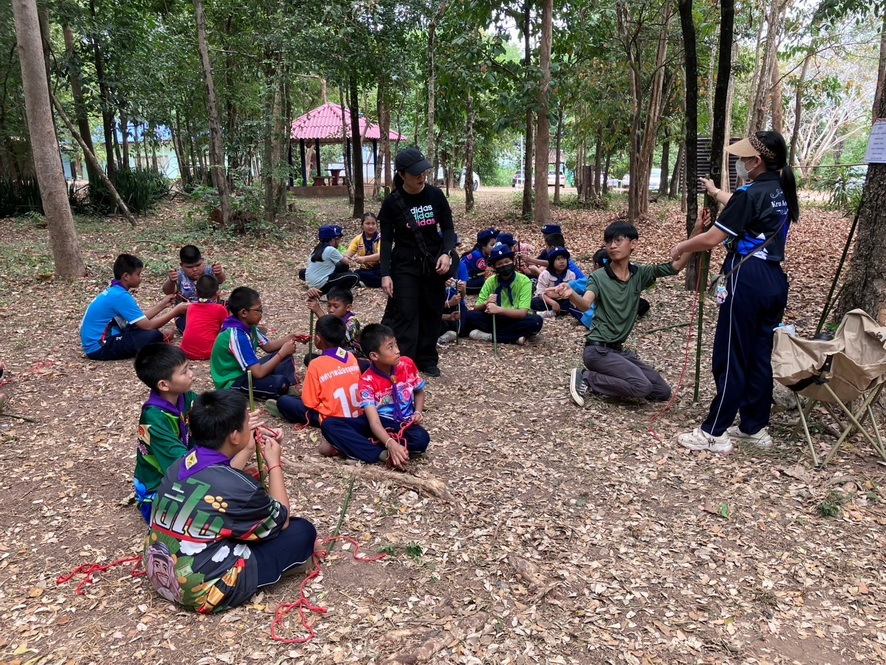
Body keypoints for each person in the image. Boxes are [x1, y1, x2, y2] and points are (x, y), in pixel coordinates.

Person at [671, 131, 798, 453]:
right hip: (773, 280)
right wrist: (715, 192)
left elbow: (712, 239)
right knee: (758, 356)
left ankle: (715, 432)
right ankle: (754, 427)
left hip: (746, 278)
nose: (740, 162)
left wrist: (682, 246)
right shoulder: (780, 188)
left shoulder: (750, 193)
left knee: (731, 355)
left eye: (744, 158)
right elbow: (744, 207)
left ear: (756, 161)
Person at [144, 390, 317, 613]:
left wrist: (247, 448)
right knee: (302, 531)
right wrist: (274, 464)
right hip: (203, 590)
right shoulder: (240, 488)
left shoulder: (181, 463)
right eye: (246, 422)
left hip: (159, 572)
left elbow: (219, 477)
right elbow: (281, 519)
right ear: (234, 436)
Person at [555, 217, 704, 405]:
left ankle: (612, 376)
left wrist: (697, 230)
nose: (612, 246)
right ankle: (586, 377)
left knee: (662, 391)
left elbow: (676, 266)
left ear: (633, 244)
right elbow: (585, 304)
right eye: (609, 242)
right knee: (642, 387)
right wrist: (571, 294)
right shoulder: (598, 277)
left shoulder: (639, 273)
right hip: (597, 351)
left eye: (618, 240)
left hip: (618, 352)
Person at [378, 147, 457, 378]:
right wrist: (385, 273)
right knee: (406, 312)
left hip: (433, 262)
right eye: (416, 174)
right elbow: (387, 241)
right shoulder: (392, 202)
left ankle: (427, 359)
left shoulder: (435, 195)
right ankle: (406, 362)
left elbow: (448, 229)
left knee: (432, 310)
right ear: (402, 175)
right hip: (404, 264)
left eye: (423, 172)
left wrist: (446, 253)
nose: (421, 177)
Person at [319, 324, 430, 468]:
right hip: (377, 422)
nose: (397, 350)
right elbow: (374, 422)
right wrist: (391, 444)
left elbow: (418, 391)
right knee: (329, 424)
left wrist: (417, 412)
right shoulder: (366, 381)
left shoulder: (406, 364)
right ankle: (382, 454)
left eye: (396, 344)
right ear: (374, 356)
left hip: (402, 425)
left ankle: (357, 446)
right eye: (390, 347)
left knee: (421, 439)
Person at [81, 254, 189, 361]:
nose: (140, 278)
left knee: (147, 331)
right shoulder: (120, 296)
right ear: (126, 276)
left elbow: (139, 319)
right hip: (99, 347)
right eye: (138, 274)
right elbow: (147, 326)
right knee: (153, 335)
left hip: (99, 342)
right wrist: (175, 312)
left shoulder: (115, 291)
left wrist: (163, 305)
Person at [133, 344, 196, 523]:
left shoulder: (186, 397)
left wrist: (240, 423)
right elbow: (184, 465)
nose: (191, 374)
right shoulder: (153, 419)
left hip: (185, 472)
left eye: (189, 368)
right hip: (158, 493)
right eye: (184, 372)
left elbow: (211, 417)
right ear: (163, 385)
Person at [267, 315, 363, 428]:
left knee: (284, 401)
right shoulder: (351, 357)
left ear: (317, 339)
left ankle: (286, 411)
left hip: (333, 419)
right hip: (357, 414)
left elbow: (310, 403)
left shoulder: (316, 364)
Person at [210, 286, 298, 400]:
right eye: (258, 310)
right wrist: (282, 353)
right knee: (279, 382)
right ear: (244, 313)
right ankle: (284, 391)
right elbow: (258, 373)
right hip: (232, 382)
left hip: (247, 371)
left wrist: (292, 337)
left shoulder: (248, 326)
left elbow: (268, 346)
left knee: (285, 357)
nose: (261, 314)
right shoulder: (237, 335)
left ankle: (288, 389)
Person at [462, 244, 544, 345]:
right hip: (495, 319)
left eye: (507, 262)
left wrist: (499, 309)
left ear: (513, 261)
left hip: (516, 319)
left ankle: (490, 336)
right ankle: (514, 337)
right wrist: (486, 303)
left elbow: (522, 313)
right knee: (470, 315)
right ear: (494, 267)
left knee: (536, 321)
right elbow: (476, 308)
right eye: (499, 264)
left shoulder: (524, 281)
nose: (504, 266)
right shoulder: (490, 281)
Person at [161, 245, 227, 332]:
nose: (195, 269)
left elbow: (221, 280)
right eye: (189, 267)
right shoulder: (179, 276)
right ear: (182, 265)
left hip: (212, 310)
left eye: (198, 265)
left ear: (203, 260)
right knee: (191, 327)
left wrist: (219, 273)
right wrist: (170, 281)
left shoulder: (210, 271)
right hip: (187, 315)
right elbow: (167, 291)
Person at [305, 287, 366, 368]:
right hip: (335, 355)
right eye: (329, 306)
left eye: (336, 306)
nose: (331, 310)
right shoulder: (334, 318)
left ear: (348, 307)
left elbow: (336, 335)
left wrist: (318, 311)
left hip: (350, 358)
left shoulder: (352, 322)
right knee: (309, 358)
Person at [180, 275, 229, 360]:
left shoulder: (190, 307)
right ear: (217, 293)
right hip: (208, 352)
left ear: (196, 292)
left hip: (185, 351)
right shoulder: (220, 309)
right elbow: (228, 328)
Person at [305, 225, 360, 294]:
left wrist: (341, 256)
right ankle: (333, 293)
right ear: (333, 239)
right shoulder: (331, 249)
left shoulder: (317, 249)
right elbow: (346, 262)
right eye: (337, 239)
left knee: (342, 269)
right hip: (321, 284)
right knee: (355, 276)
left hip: (312, 283)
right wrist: (348, 257)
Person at [531, 246, 579, 319]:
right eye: (558, 259)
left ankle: (551, 313)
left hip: (563, 300)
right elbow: (540, 293)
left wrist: (555, 295)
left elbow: (571, 292)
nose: (562, 261)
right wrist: (553, 303)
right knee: (534, 302)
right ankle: (558, 311)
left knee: (569, 304)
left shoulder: (571, 275)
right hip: (547, 300)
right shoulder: (545, 274)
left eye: (564, 258)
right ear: (552, 262)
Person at [345, 213, 382, 288]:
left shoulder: (381, 238)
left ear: (377, 225)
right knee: (355, 273)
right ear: (362, 226)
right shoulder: (358, 239)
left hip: (380, 268)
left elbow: (381, 255)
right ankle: (366, 282)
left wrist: (364, 259)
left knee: (387, 274)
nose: (371, 226)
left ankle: (364, 282)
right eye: (367, 223)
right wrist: (346, 259)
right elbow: (348, 255)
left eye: (373, 223)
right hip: (365, 270)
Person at [460, 228, 498, 294]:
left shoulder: (483, 254)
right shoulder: (478, 256)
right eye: (492, 245)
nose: (495, 248)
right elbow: (489, 271)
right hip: (464, 283)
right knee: (491, 280)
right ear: (483, 246)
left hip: (470, 278)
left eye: (495, 245)